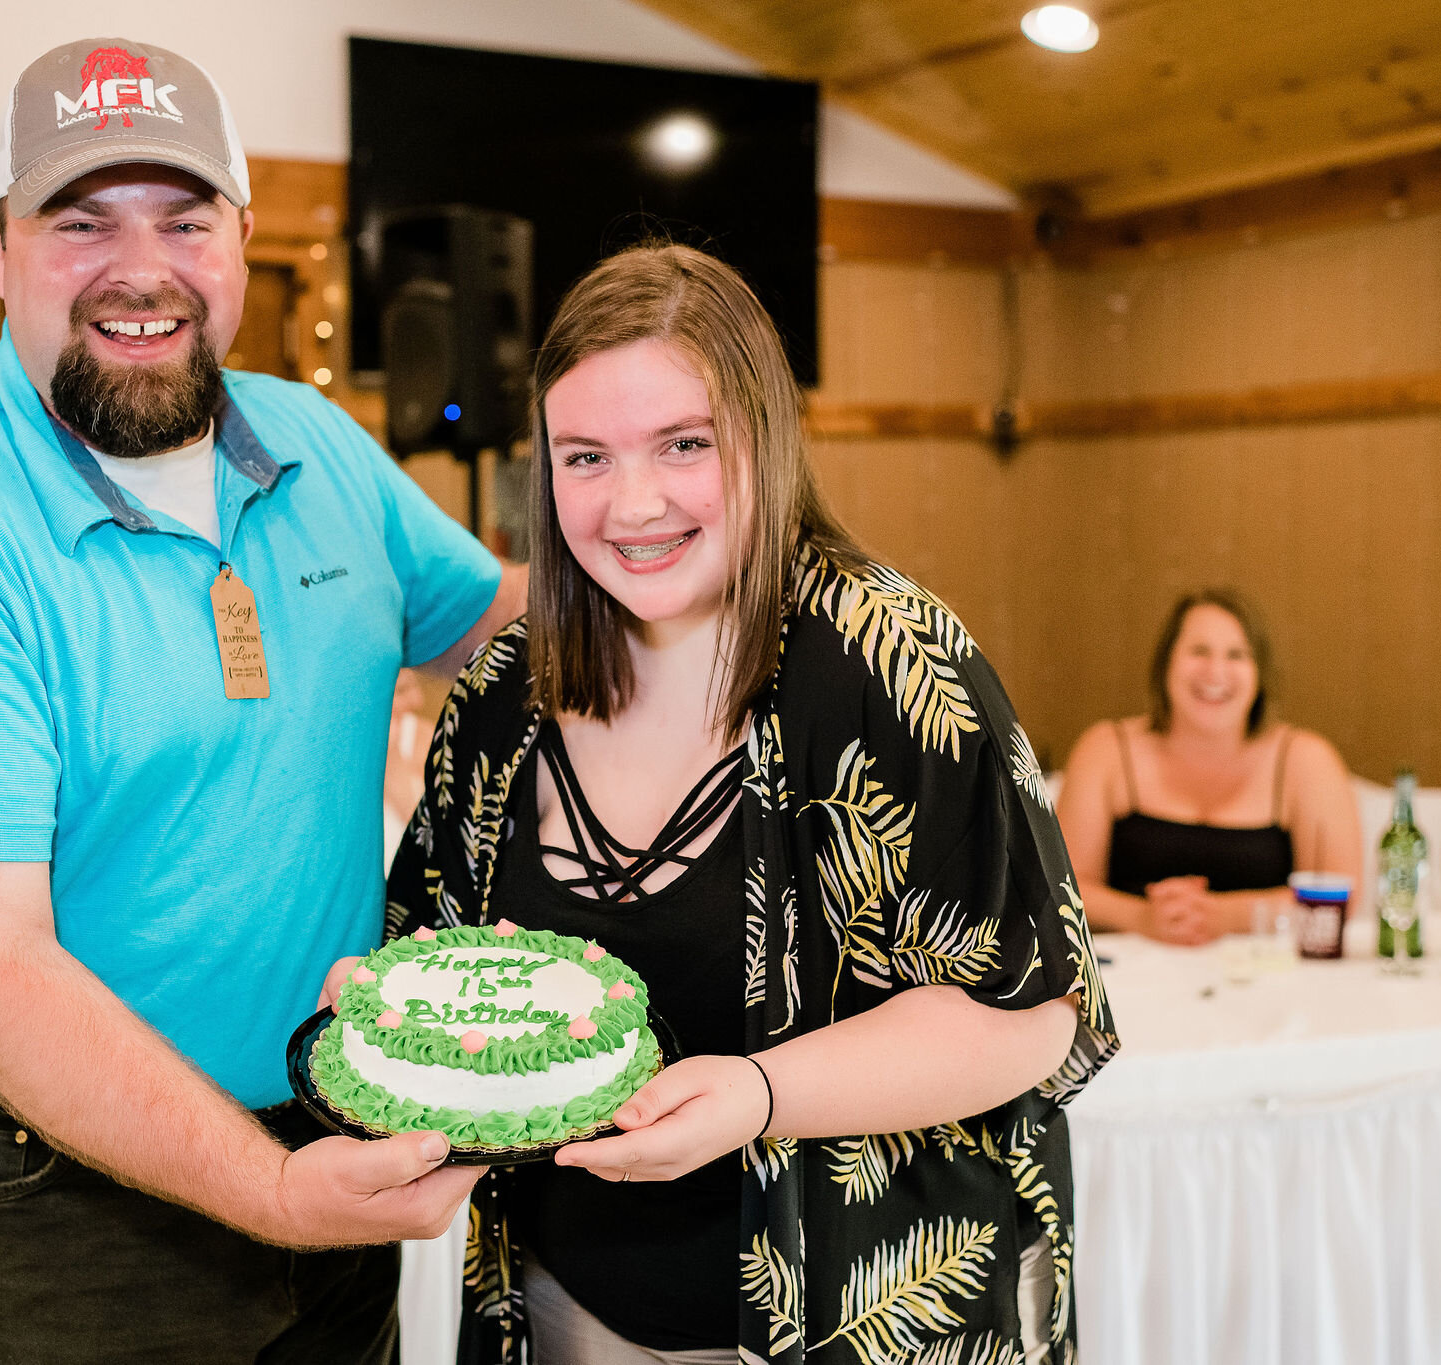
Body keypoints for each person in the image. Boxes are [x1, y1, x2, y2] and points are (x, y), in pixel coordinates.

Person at [0, 37, 522, 1365]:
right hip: (42, 1210)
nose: (143, 269)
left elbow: (500, 632)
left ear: (240, 241)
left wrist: (699, 558)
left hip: (329, 1135)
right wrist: (273, 1194)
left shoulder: (320, 446)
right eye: (83, 223)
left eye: (185, 220)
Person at [336, 244, 1117, 1364]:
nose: (632, 502)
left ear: (763, 439)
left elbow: (1029, 1016)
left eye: (682, 445)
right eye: (584, 456)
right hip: (561, 1313)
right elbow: (425, 956)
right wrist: (387, 1007)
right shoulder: (508, 689)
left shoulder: (885, 663)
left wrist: (758, 1094)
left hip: (858, 1321)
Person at [1056, 590, 1360, 945]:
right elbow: (1062, 887)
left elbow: (1340, 900)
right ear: (1165, 663)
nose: (1215, 672)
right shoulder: (1105, 750)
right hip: (1129, 980)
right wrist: (1141, 918)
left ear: (1260, 675)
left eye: (1237, 655)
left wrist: (1225, 916)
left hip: (1269, 979)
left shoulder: (1306, 760)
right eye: (1199, 651)